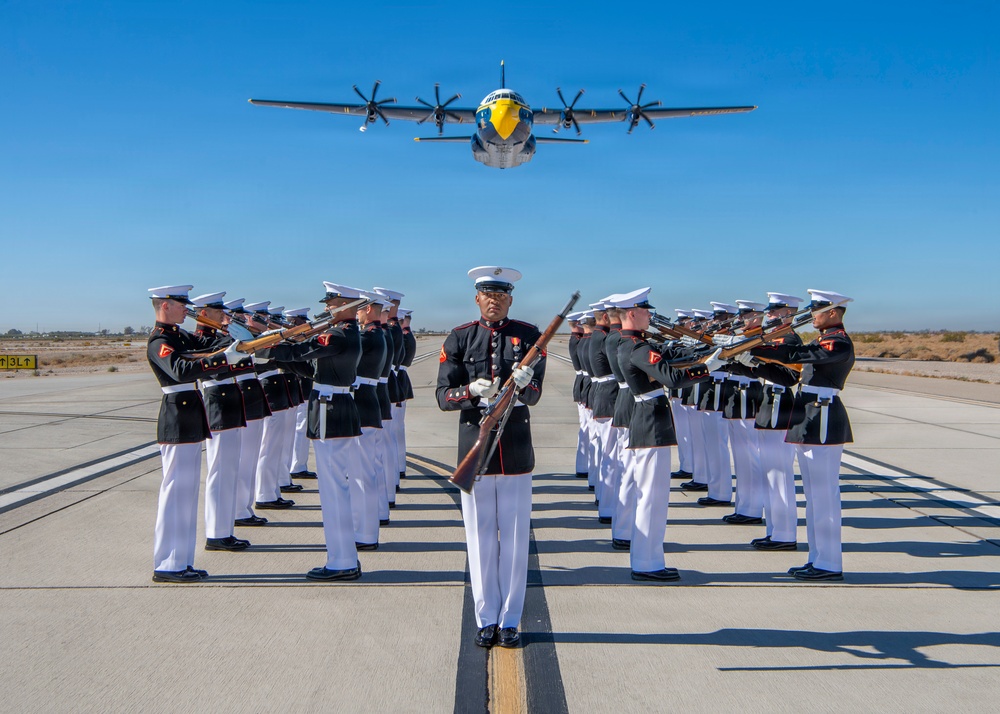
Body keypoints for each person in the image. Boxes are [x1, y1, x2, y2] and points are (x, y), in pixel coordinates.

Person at [436, 266, 545, 649]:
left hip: (514, 449)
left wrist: (523, 382)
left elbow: (534, 395)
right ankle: (486, 618)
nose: (494, 300)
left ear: (510, 299)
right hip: (475, 451)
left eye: (501, 294)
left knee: (515, 541)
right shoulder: (460, 337)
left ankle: (511, 619)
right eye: (487, 293)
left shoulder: (530, 337)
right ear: (477, 298)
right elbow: (442, 397)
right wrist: (470, 390)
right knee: (480, 540)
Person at [262, 282, 366, 581]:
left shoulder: (335, 334)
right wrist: (280, 357)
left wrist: (267, 346)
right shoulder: (348, 334)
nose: (326, 309)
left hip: (329, 410)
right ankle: (344, 557)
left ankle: (341, 561)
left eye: (331, 304)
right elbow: (314, 368)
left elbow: (301, 351)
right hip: (339, 405)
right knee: (337, 487)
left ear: (345, 306)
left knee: (333, 490)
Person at [615, 288, 720, 581]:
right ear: (632, 313)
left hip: (647, 421)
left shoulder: (631, 344)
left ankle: (646, 558)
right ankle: (647, 563)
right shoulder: (637, 348)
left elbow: (664, 363)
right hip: (650, 423)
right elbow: (672, 379)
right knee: (652, 496)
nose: (650, 316)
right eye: (646, 311)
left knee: (648, 494)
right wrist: (705, 369)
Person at [751, 289, 855, 581]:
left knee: (824, 497)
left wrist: (755, 348)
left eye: (817, 311)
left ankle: (830, 563)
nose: (812, 316)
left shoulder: (838, 342)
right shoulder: (824, 340)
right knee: (814, 497)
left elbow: (796, 354)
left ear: (833, 312)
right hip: (810, 417)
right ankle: (818, 558)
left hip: (823, 419)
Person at [146, 284, 245, 583]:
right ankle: (166, 563)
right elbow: (180, 369)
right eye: (180, 304)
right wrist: (222, 359)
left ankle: (181, 561)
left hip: (189, 414)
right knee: (175, 491)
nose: (185, 309)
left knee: (187, 493)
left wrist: (232, 347)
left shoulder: (178, 335)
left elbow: (202, 348)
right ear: (165, 306)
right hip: (176, 415)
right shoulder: (159, 340)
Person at [191, 291, 253, 552]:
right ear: (204, 314)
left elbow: (248, 343)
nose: (224, 317)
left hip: (229, 400)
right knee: (219, 470)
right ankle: (216, 533)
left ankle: (225, 530)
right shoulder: (200, 340)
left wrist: (234, 328)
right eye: (219, 313)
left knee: (230, 469)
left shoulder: (219, 337)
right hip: (217, 399)